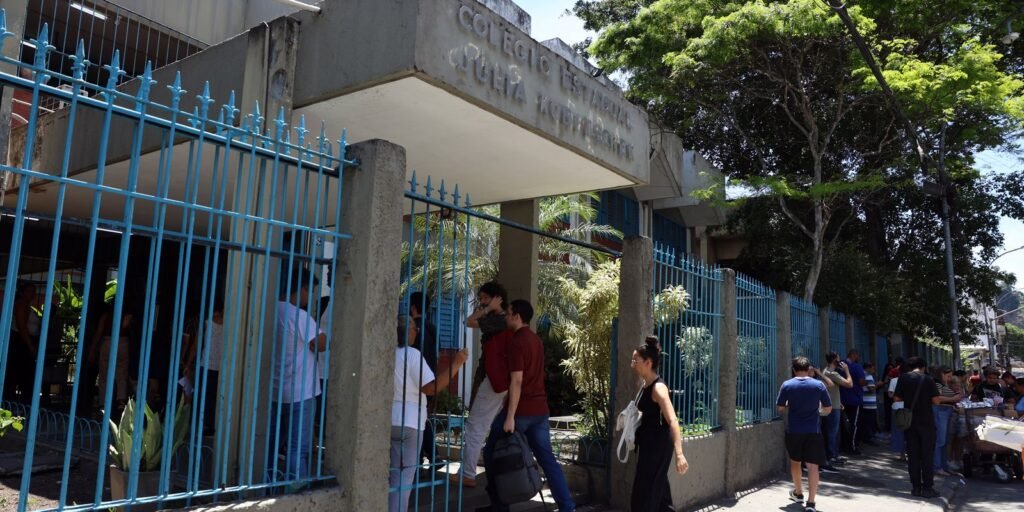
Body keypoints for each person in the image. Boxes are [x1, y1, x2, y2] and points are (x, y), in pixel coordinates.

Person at [482, 299, 575, 512]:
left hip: (521, 411)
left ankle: (499, 505)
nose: (505, 317)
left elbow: (517, 381)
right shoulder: (536, 340)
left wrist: (509, 417)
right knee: (548, 460)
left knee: (491, 453)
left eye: (508, 313)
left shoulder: (517, 342)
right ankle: (567, 507)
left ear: (517, 316)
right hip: (540, 411)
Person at [390, 315, 468, 512]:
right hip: (410, 421)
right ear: (409, 332)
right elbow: (431, 388)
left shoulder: (387, 353)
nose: (417, 332)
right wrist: (456, 364)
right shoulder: (412, 355)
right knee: (404, 477)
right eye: (415, 329)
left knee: (393, 474)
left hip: (389, 418)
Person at [268, 268, 327, 484]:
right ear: (301, 288)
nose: (310, 297)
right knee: (297, 449)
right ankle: (296, 491)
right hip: (301, 393)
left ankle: (267, 486)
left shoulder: (269, 309)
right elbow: (321, 343)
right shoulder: (299, 316)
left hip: (274, 391)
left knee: (269, 447)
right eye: (310, 291)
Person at [455, 281, 509, 488]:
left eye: (486, 298)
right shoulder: (501, 319)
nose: (482, 302)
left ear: (497, 298)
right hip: (497, 379)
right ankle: (468, 470)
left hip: (493, 379)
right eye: (481, 299)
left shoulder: (499, 320)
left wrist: (487, 309)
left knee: (476, 426)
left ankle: (468, 473)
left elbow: (469, 321)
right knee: (486, 425)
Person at [628, 336, 690, 511]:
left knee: (643, 496)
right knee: (660, 494)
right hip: (648, 444)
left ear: (648, 363)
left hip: (657, 445)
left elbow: (673, 420)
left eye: (635, 360)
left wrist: (679, 454)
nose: (632, 364)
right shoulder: (646, 384)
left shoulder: (658, 388)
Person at [777, 356, 832, 512]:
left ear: (793, 370)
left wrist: (790, 405)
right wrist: (817, 411)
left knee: (795, 462)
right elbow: (828, 409)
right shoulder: (819, 385)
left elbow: (780, 408)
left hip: (794, 431)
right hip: (813, 431)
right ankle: (811, 503)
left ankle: (798, 492)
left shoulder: (787, 385)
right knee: (813, 466)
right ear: (809, 369)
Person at [893, 357, 941, 498]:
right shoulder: (928, 379)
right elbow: (936, 401)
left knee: (913, 456)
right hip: (926, 422)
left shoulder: (903, 378)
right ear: (923, 367)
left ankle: (915, 488)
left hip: (909, 422)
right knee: (927, 456)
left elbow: (896, 398)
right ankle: (927, 488)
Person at [182, 294, 226, 435]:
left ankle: (203, 423)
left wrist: (188, 363)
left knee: (203, 395)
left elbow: (195, 347)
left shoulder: (206, 323)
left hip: (206, 365)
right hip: (221, 367)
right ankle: (213, 424)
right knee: (216, 396)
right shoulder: (228, 325)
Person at [88, 300, 135, 415]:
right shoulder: (127, 316)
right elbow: (131, 332)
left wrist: (93, 349)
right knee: (122, 373)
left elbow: (99, 332)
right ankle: (121, 401)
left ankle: (103, 403)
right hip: (123, 342)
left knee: (104, 374)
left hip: (108, 341)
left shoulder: (106, 316)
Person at [5, 282, 39, 402]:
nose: (32, 294)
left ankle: (20, 403)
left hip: (25, 342)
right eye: (29, 291)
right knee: (20, 375)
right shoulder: (20, 306)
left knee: (23, 376)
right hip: (21, 344)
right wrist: (31, 347)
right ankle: (16, 403)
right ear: (22, 292)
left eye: (33, 291)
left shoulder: (27, 306)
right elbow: (22, 328)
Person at [820, 353, 852, 470]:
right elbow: (849, 384)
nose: (841, 361)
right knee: (832, 432)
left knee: (833, 432)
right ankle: (831, 456)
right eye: (838, 358)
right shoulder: (831, 373)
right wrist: (847, 370)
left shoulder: (827, 371)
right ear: (834, 360)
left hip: (834, 404)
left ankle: (833, 455)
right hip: (832, 407)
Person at [930, 366, 961, 477]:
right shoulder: (937, 384)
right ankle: (937, 466)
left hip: (947, 411)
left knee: (946, 441)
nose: (950, 378)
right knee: (940, 440)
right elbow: (937, 399)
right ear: (941, 374)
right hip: (940, 411)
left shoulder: (944, 384)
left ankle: (943, 466)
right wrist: (953, 399)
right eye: (948, 376)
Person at [839, 350, 867, 454]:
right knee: (854, 424)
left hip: (842, 399)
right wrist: (866, 382)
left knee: (843, 424)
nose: (858, 357)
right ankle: (852, 446)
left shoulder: (840, 366)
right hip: (855, 399)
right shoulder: (857, 367)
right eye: (858, 355)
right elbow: (861, 382)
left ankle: (842, 446)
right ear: (854, 355)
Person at [861, 362, 879, 444]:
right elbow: (871, 389)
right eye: (873, 368)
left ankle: (866, 438)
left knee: (866, 422)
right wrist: (878, 385)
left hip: (865, 402)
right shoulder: (868, 376)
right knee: (869, 422)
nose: (874, 370)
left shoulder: (862, 375)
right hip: (869, 404)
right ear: (868, 368)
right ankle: (868, 439)